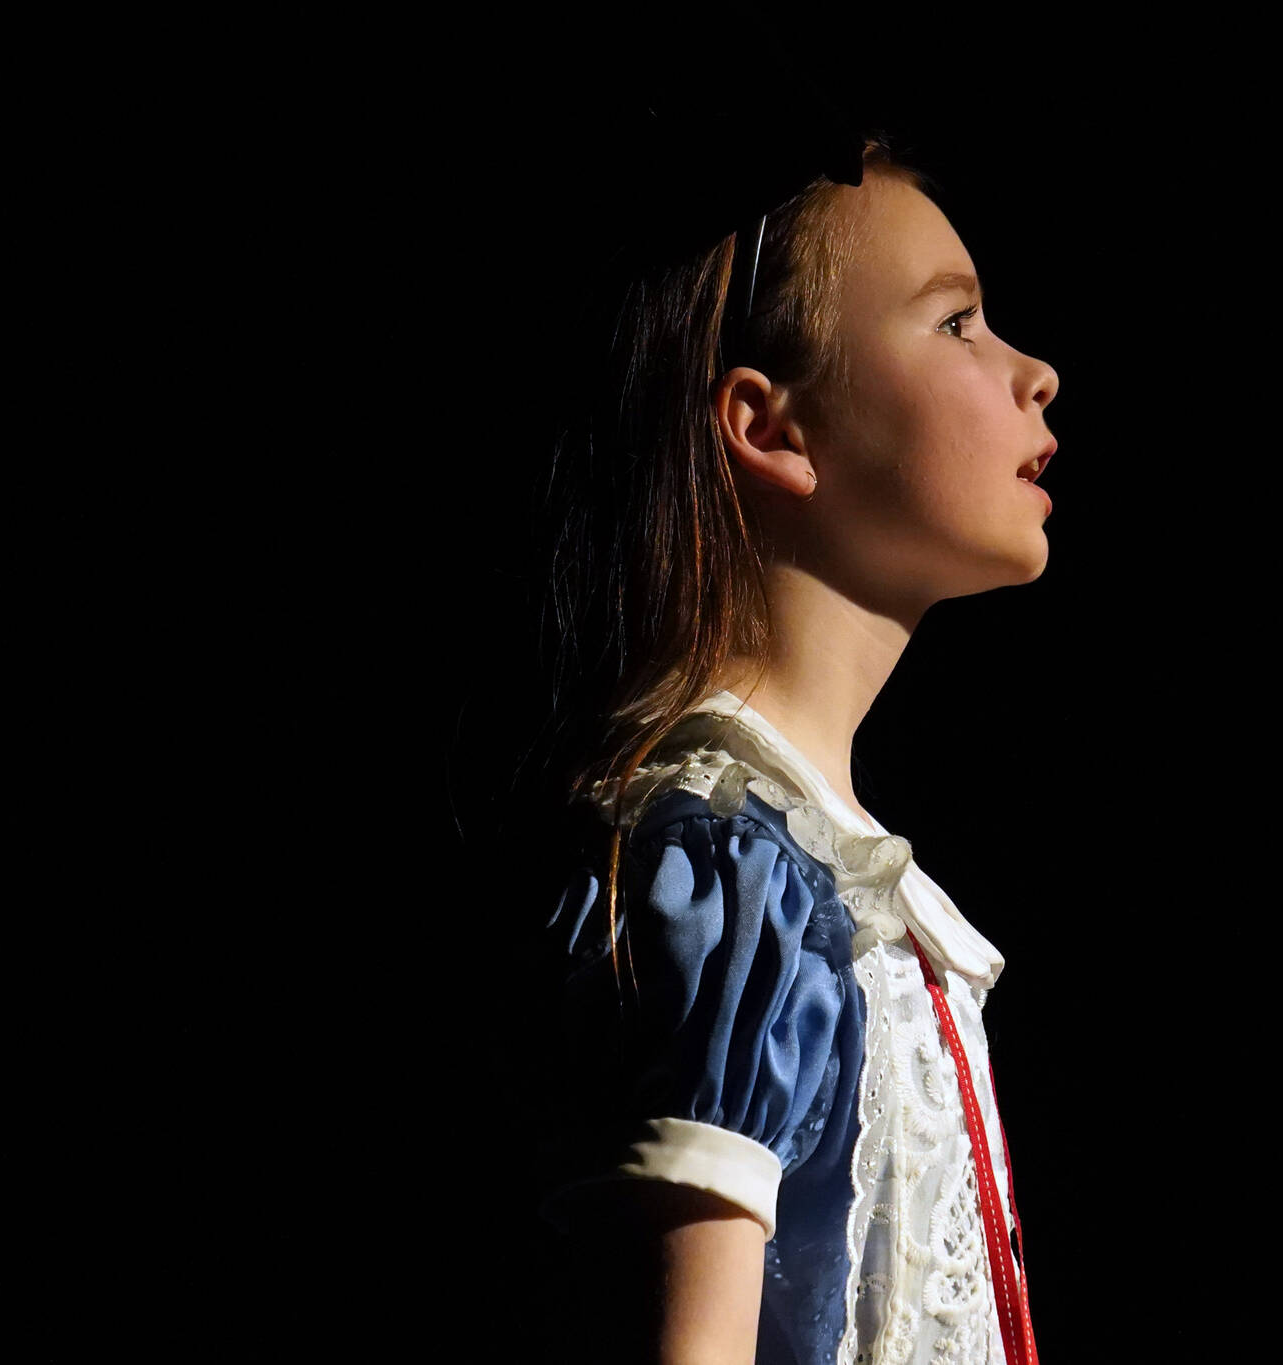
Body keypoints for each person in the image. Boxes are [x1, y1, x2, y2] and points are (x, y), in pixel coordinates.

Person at [458, 126, 1061, 1364]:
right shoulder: (721, 880)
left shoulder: (822, 880)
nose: (1034, 370)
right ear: (771, 426)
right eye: (955, 324)